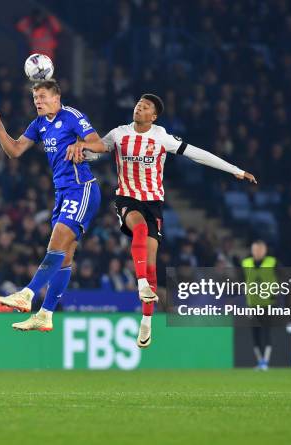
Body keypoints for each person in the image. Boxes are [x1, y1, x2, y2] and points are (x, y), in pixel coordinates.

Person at [67, 93, 256, 348]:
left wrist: (236, 170)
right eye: (138, 104)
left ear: (153, 116)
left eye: (145, 107)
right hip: (127, 198)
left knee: (152, 263)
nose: (139, 108)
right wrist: (83, 152)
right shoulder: (119, 133)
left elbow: (198, 154)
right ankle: (142, 284)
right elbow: (97, 151)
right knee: (140, 230)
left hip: (153, 203)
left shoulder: (161, 137)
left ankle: (146, 323)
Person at [0, 79, 105, 331]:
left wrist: (81, 144)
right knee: (64, 257)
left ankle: (27, 293)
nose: (37, 102)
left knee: (57, 240)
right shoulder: (39, 124)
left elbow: (101, 144)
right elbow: (15, 151)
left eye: (42, 97)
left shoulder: (71, 116)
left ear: (56, 97)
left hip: (82, 188)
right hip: (62, 193)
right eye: (35, 99)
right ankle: (46, 314)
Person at [241, 240, 278, 371]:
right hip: (252, 305)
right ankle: (260, 361)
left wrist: (276, 292)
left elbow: (284, 277)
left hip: (268, 304)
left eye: (260, 249)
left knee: (266, 332)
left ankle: (265, 361)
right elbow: (240, 281)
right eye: (255, 249)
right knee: (255, 333)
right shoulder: (246, 263)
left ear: (265, 250)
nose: (257, 252)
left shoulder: (273, 262)